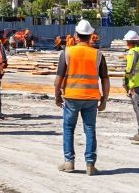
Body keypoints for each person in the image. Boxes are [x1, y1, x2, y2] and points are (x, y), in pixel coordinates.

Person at [55, 19, 108, 175]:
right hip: (91, 98)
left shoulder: (67, 52)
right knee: (90, 129)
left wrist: (57, 95)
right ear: (91, 35)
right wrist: (104, 99)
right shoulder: (98, 54)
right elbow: (105, 79)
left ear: (77, 35)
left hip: (71, 97)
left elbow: (59, 77)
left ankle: (69, 162)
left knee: (69, 128)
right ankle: (90, 164)